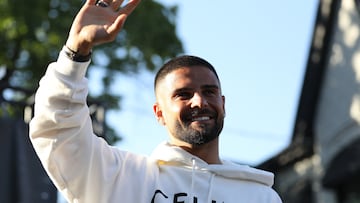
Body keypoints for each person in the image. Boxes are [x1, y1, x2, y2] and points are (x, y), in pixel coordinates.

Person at [29, 0, 282, 202]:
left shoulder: (260, 196)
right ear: (159, 113)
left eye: (209, 92)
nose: (199, 102)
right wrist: (75, 52)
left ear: (223, 104)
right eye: (183, 94)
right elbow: (59, 131)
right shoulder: (122, 178)